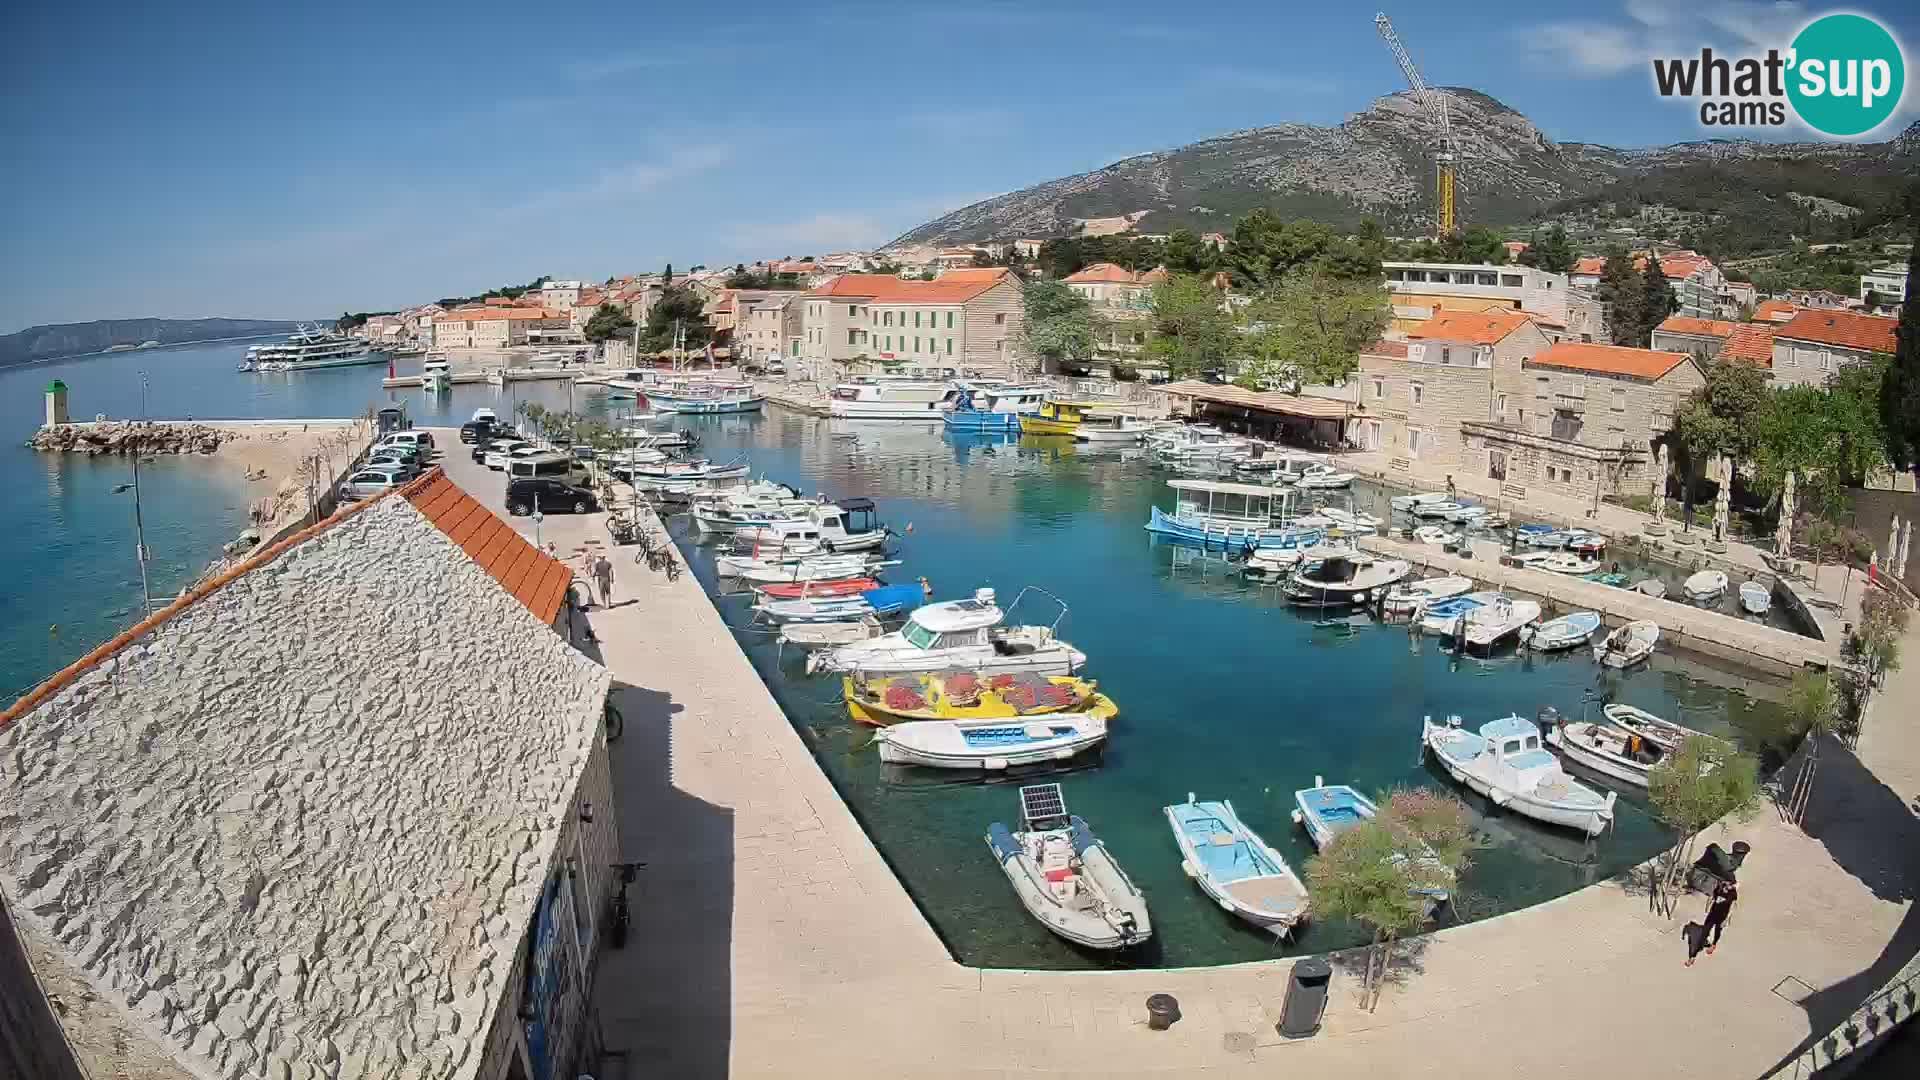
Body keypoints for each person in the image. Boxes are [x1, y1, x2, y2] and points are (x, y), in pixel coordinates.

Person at [1686, 879, 1738, 966]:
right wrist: (1708, 906)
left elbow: (1733, 907)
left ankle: (1713, 944)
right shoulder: (1719, 889)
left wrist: (1727, 919)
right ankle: (1692, 957)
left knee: (1717, 930)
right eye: (1724, 883)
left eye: (1728, 884)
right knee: (1704, 933)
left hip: (1722, 916)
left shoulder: (1733, 894)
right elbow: (1712, 897)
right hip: (1712, 914)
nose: (1725, 884)